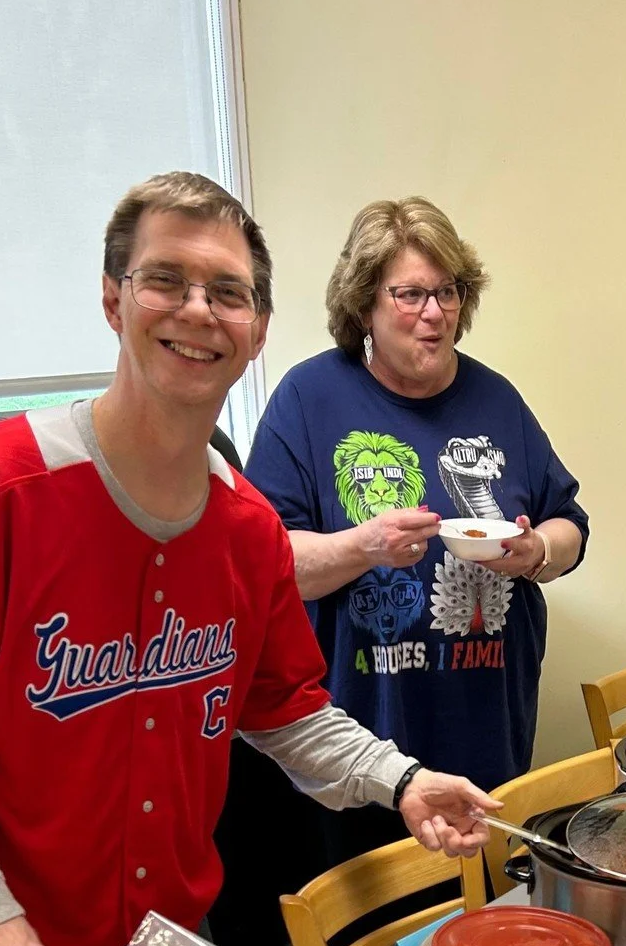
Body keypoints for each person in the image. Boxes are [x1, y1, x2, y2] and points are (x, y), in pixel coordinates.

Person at [0, 171, 496, 946]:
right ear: (112, 299)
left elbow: (284, 711)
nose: (198, 310)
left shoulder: (246, 530)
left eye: (228, 293)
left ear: (257, 331)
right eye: (165, 278)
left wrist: (403, 780)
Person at [243, 196, 588, 873]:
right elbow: (261, 563)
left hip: (488, 726)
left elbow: (568, 524)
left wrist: (535, 552)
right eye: (409, 294)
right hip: (361, 744)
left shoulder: (497, 399)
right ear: (364, 302)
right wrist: (360, 546)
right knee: (374, 944)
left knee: (480, 926)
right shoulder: (308, 400)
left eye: (448, 292)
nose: (434, 313)